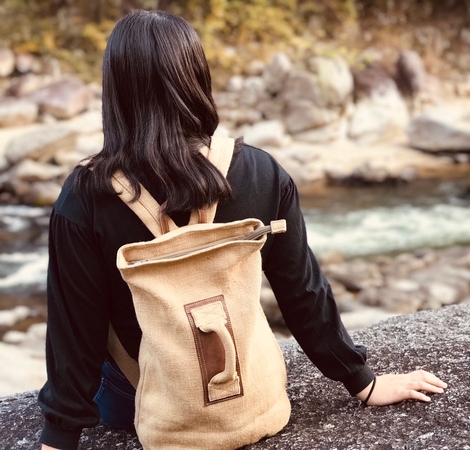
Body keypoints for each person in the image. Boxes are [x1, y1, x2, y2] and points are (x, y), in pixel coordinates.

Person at [38, 10, 447, 450]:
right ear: (196, 76)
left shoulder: (85, 196)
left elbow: (74, 331)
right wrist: (363, 382)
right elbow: (302, 291)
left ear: (115, 91)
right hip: (248, 388)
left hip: (139, 400)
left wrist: (58, 437)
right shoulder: (261, 173)